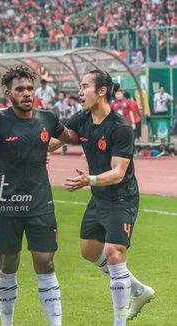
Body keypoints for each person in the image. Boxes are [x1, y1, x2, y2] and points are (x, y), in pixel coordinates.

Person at [51, 69, 154, 325]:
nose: (80, 91)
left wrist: (90, 180)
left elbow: (119, 173)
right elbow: (66, 137)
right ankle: (138, 290)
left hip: (121, 198)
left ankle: (119, 322)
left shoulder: (120, 128)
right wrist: (38, 145)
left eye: (84, 86)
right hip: (99, 199)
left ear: (101, 91)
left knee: (114, 251)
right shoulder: (83, 117)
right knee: (88, 251)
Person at [0, 65, 78, 326]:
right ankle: (7, 322)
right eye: (20, 89)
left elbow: (68, 137)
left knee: (46, 264)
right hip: (7, 206)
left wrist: (43, 148)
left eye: (30, 88)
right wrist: (17, 156)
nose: (27, 93)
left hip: (41, 205)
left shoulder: (47, 118)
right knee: (8, 265)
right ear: (8, 93)